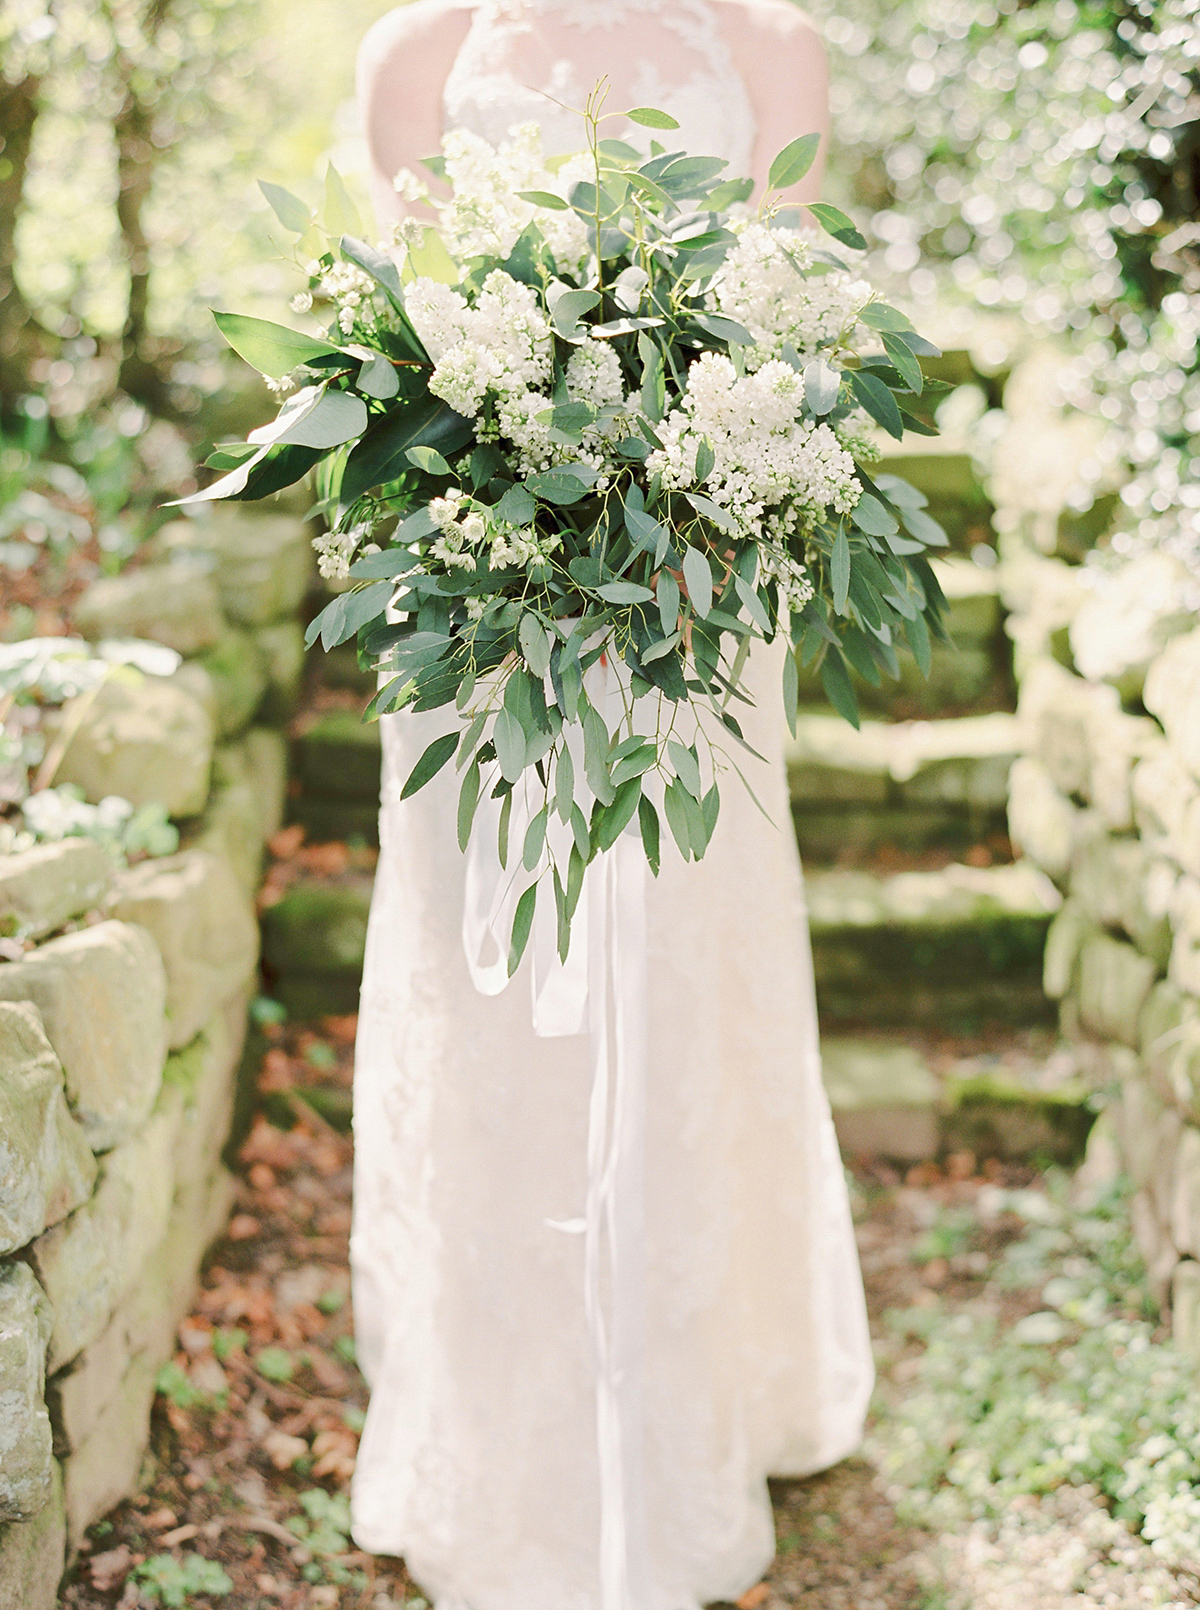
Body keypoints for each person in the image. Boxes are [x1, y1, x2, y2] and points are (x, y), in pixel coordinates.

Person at [349, 5, 874, 1606]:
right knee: (489, 975)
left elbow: (786, 338)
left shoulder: (772, 46)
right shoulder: (416, 54)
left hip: (700, 606)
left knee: (689, 973)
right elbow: (413, 340)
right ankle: (507, 1434)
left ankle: (698, 1391)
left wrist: (682, 458)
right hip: (482, 622)